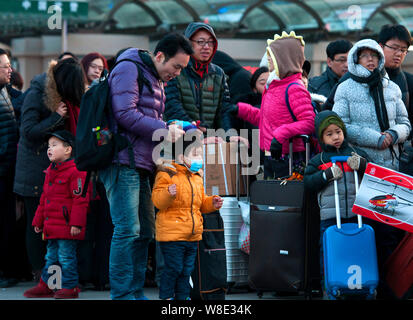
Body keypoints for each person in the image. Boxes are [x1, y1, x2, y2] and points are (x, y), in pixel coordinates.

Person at [98, 32, 193, 300]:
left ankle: (135, 291)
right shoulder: (130, 68)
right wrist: (164, 128)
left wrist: (167, 127)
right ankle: (122, 294)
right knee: (128, 230)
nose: (177, 73)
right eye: (176, 67)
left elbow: (144, 116)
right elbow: (124, 113)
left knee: (145, 232)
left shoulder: (153, 76)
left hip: (141, 163)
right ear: (160, 56)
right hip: (121, 161)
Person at [332, 39, 411, 297]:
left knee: (392, 230)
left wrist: (392, 133)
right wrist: (374, 138)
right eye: (364, 56)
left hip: (392, 168)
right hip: (363, 168)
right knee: (369, 229)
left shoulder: (392, 87)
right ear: (356, 58)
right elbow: (341, 125)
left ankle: (391, 287)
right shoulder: (345, 88)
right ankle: (369, 283)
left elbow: (405, 123)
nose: (370, 61)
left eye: (374, 56)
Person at [13, 57, 85, 283]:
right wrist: (56, 117)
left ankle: (54, 274)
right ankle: (40, 273)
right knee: (38, 225)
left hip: (57, 171)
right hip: (35, 172)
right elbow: (28, 132)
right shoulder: (38, 93)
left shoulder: (63, 95)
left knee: (56, 225)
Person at [233, 31, 315, 179]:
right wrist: (240, 109)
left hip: (289, 157)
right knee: (273, 200)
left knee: (285, 201)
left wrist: (280, 135)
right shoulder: (272, 86)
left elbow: (309, 122)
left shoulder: (295, 87)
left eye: (272, 55)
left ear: (283, 59)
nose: (268, 59)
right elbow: (266, 119)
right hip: (272, 155)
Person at [152, 132, 223, 300]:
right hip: (172, 235)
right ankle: (167, 297)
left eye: (200, 154)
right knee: (173, 269)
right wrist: (168, 194)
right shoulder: (167, 173)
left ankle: (182, 298)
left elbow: (199, 204)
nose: (199, 158)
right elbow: (157, 201)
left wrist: (211, 203)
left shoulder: (196, 177)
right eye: (195, 154)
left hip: (192, 236)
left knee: (186, 271)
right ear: (182, 156)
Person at [303, 110, 370, 279]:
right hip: (331, 215)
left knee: (358, 248)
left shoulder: (356, 153)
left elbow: (372, 174)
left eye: (338, 132)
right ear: (321, 137)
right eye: (329, 134)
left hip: (357, 213)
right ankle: (330, 283)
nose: (335, 137)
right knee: (329, 248)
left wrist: (362, 165)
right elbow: (308, 182)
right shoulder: (319, 160)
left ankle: (361, 282)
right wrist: (325, 175)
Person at [23, 130, 89, 299]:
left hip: (67, 226)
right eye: (48, 146)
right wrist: (38, 221)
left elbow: (80, 199)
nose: (49, 149)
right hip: (51, 225)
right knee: (51, 256)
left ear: (68, 150)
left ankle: (70, 286)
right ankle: (49, 284)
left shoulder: (76, 171)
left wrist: (76, 224)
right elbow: (44, 198)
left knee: (66, 257)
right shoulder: (50, 171)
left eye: (54, 145)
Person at [164, 22, 235, 134]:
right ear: (188, 44)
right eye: (201, 42)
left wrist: (229, 135)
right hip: (176, 137)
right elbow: (172, 106)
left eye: (210, 42)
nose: (206, 47)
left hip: (209, 141)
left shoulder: (218, 73)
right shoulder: (177, 70)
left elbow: (224, 110)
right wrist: (193, 129)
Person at [0, 48, 28, 288]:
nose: (11, 70)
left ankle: (12, 268)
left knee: (10, 220)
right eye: (5, 66)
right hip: (2, 169)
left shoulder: (8, 93)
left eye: (10, 65)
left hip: (9, 169)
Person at [378, 24, 413, 137]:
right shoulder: (361, 77)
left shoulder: (409, 81)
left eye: (403, 50)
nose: (399, 53)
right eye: (394, 48)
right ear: (380, 46)